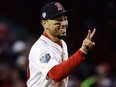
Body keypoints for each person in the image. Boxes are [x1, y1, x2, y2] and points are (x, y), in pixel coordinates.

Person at [26, 1, 96, 87]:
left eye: (65, 19)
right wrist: (82, 51)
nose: (64, 23)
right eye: (58, 20)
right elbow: (56, 74)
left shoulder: (62, 43)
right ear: (44, 23)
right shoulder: (40, 47)